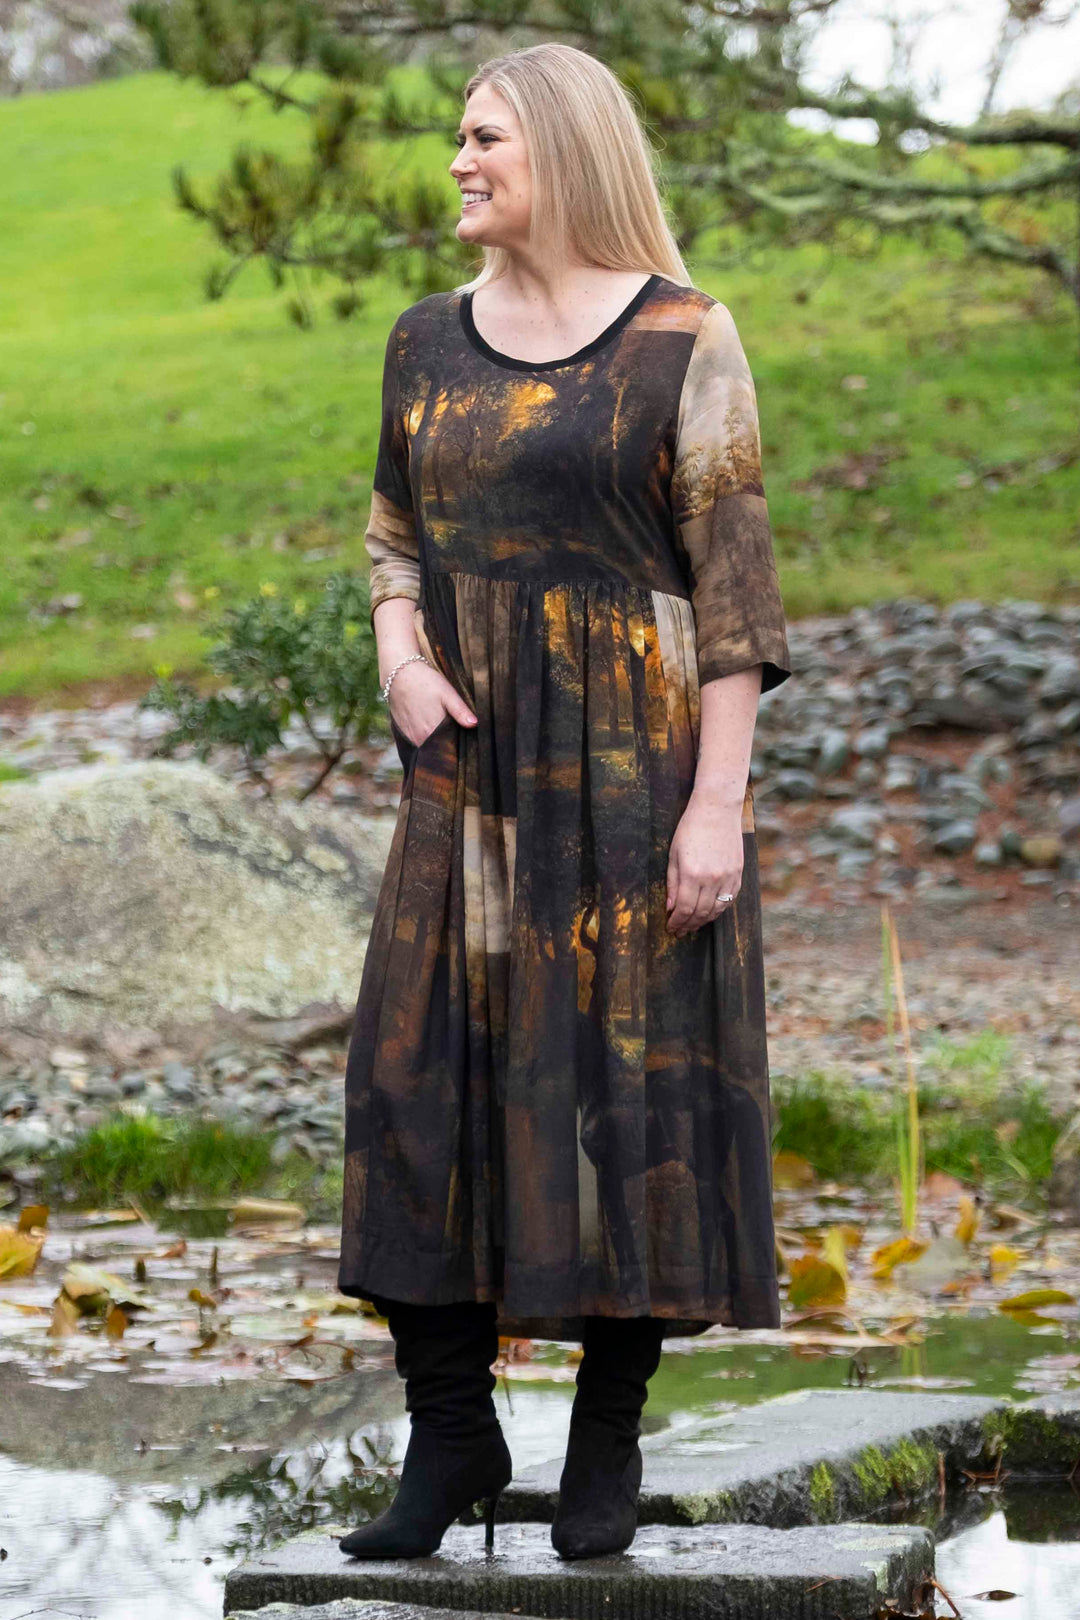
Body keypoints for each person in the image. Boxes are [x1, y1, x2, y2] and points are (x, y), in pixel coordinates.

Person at [336, 40, 794, 1564]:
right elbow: (393, 537)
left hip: (627, 784)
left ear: (565, 155)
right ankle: (452, 1432)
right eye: (456, 139)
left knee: (627, 1100)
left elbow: (733, 604)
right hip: (461, 787)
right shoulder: (422, 340)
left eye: (484, 141)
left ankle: (606, 1442)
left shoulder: (683, 341)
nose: (458, 163)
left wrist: (714, 807)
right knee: (412, 1087)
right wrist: (401, 653)